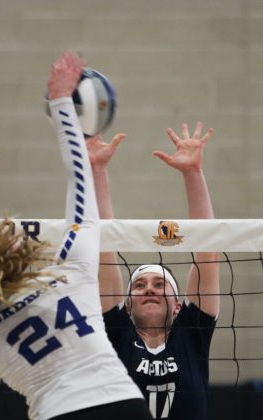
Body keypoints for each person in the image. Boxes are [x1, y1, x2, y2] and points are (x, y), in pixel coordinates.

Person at [0, 52, 154, 420]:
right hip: (125, 407)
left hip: (60, 412)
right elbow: (80, 182)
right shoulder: (69, 272)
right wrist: (61, 102)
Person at [86, 123, 220, 420]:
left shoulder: (191, 333)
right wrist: (96, 170)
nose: (149, 288)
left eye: (160, 284)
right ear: (127, 303)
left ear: (179, 304)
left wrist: (193, 173)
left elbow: (208, 254)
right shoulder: (116, 334)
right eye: (140, 285)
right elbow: (105, 249)